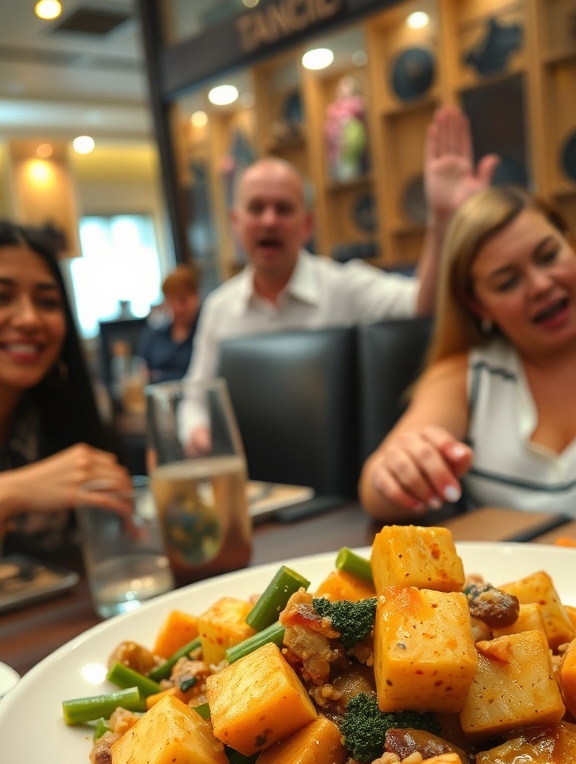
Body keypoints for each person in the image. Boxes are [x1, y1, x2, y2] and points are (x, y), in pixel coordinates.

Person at [180, 105, 498, 448]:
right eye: (256, 208)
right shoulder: (218, 307)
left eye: (283, 208)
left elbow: (422, 305)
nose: (269, 221)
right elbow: (195, 398)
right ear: (236, 223)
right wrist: (198, 434)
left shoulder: (344, 285)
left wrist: (443, 221)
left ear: (307, 225)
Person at [359, 185, 576, 522]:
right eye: (507, 282)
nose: (541, 285)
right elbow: (375, 491)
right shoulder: (466, 374)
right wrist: (399, 470)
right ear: (477, 304)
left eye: (548, 256)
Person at [0, 220, 132, 557]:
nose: (29, 319)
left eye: (46, 302)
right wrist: (15, 491)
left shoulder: (57, 418)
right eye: (2, 297)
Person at [138, 265, 200, 383]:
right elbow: (142, 372)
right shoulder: (154, 335)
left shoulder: (205, 332)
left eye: (183, 300)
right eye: (172, 300)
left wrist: (160, 376)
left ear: (196, 296)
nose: (178, 308)